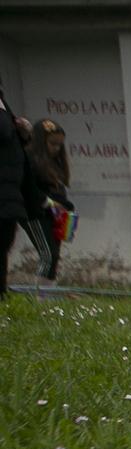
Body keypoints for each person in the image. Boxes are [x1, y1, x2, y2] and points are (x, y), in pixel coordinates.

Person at [24, 118, 73, 280]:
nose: (57, 149)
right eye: (53, 144)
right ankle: (41, 296)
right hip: (36, 213)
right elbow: (29, 190)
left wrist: (66, 207)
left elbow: (59, 190)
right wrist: (49, 203)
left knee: (55, 255)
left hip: (55, 215)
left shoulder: (56, 163)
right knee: (48, 255)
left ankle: (48, 293)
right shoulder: (30, 160)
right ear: (41, 142)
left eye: (60, 145)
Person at [0, 92, 24, 297]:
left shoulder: (5, 109)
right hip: (5, 195)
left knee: (4, 245)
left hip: (10, 195)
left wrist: (24, 133)